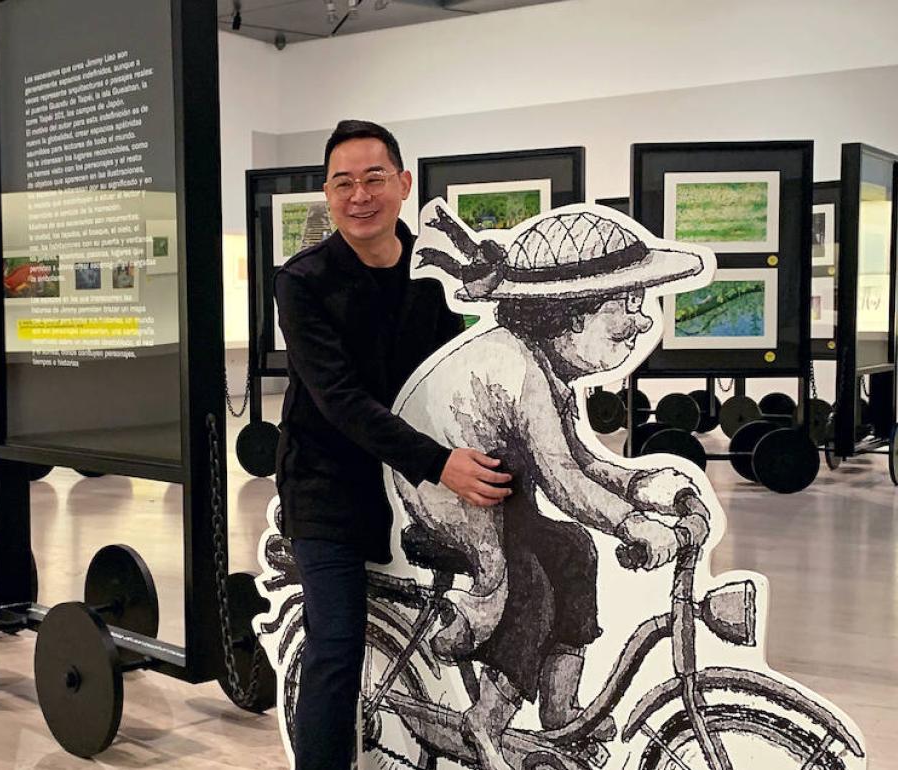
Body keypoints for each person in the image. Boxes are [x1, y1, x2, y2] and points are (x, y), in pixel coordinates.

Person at [386, 204, 704, 768]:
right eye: (625, 305)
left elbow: (577, 458)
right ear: (570, 315)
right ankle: (482, 720)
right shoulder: (518, 368)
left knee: (574, 550)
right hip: (442, 487)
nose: (640, 322)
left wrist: (647, 487)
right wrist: (633, 522)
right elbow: (563, 482)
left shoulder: (544, 368)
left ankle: (560, 708)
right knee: (521, 582)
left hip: (499, 485)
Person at [273, 120, 513, 770]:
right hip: (329, 491)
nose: (359, 195)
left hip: (414, 488)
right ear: (328, 194)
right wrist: (442, 465)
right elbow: (341, 401)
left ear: (403, 184)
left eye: (373, 178)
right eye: (343, 182)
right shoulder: (302, 282)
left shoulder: (439, 275)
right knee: (338, 647)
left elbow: (464, 372)